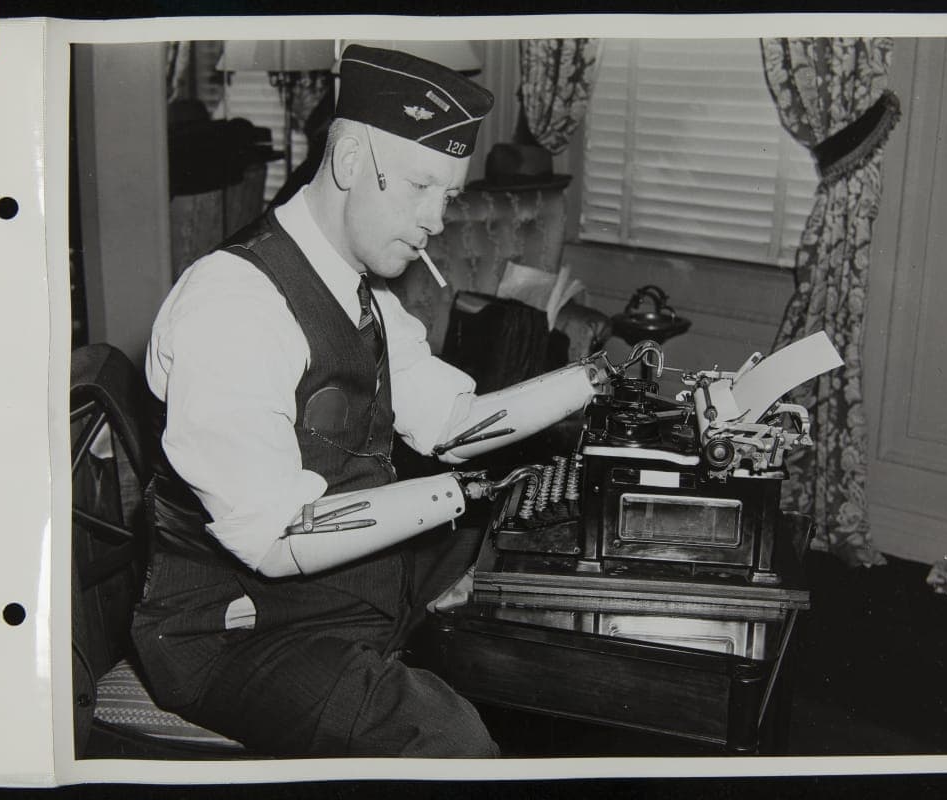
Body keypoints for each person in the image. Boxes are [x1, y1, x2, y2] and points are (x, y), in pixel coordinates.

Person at [132, 44, 612, 758]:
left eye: (445, 197)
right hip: (242, 630)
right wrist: (465, 490)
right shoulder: (232, 303)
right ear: (350, 160)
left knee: (539, 574)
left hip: (339, 589)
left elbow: (450, 423)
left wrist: (593, 379)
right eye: (419, 187)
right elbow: (275, 536)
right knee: (448, 738)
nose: (435, 220)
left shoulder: (359, 290)